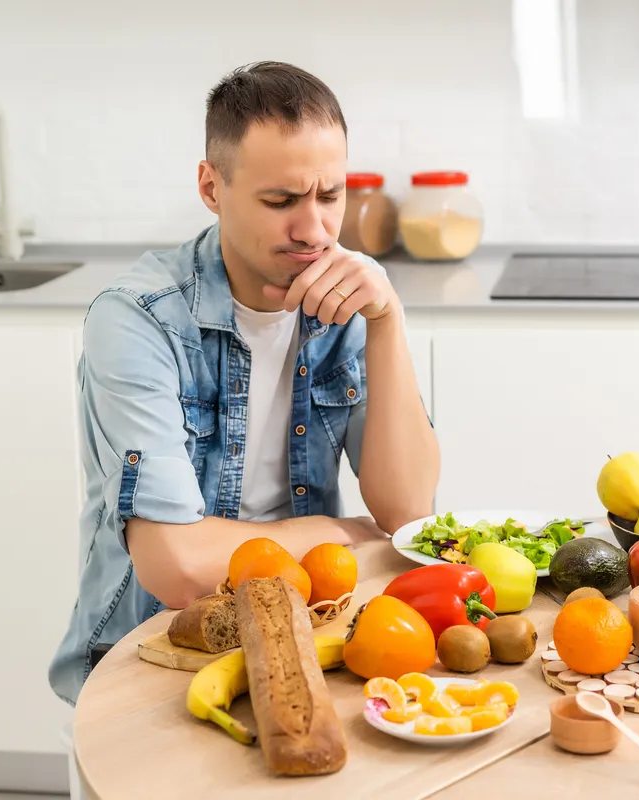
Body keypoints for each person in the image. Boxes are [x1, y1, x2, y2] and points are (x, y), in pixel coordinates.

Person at [48, 61, 440, 706]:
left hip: (307, 633)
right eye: (281, 201)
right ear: (211, 186)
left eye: (330, 195)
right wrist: (349, 533)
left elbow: (409, 513)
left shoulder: (344, 297)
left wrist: (387, 320)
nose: (314, 231)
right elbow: (178, 568)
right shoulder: (139, 318)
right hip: (154, 655)